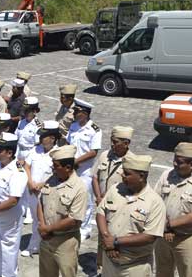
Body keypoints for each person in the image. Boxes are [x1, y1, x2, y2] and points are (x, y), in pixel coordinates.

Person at [96, 153, 166, 277]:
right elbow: (101, 212)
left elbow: (150, 236)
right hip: (109, 263)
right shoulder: (114, 189)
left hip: (135, 267)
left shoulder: (155, 202)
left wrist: (116, 242)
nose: (122, 175)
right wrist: (107, 239)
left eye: (127, 173)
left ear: (141, 176)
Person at [154, 142, 192, 277]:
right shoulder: (166, 175)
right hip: (163, 236)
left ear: (191, 164)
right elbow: (155, 202)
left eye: (179, 162)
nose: (174, 164)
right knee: (162, 273)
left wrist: (170, 225)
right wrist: (165, 228)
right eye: (174, 160)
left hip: (187, 240)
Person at [37, 145, 88, 277]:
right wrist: (42, 226)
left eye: (56, 165)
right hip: (46, 239)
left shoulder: (79, 188)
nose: (53, 168)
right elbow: (40, 202)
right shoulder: (51, 179)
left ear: (68, 168)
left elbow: (73, 220)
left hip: (66, 242)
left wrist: (48, 229)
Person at [0, 132, 28, 277]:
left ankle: (9, 274)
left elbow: (14, 200)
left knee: (9, 248)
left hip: (9, 215)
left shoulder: (18, 171)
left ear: (9, 152)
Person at [92, 125, 135, 269]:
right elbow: (95, 178)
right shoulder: (105, 155)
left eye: (116, 141)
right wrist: (98, 197)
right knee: (101, 237)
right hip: (102, 206)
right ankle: (101, 267)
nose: (112, 144)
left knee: (116, 238)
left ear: (126, 143)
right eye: (112, 140)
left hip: (120, 209)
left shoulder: (133, 161)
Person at [20, 120, 60, 257]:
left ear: (53, 138)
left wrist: (42, 184)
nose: (41, 138)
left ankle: (42, 245)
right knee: (37, 220)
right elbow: (26, 166)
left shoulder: (58, 153)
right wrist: (30, 182)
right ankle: (35, 245)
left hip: (48, 192)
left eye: (44, 136)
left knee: (49, 220)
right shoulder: (35, 150)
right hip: (32, 191)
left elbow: (57, 173)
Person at [66, 98, 101, 240]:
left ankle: (85, 228)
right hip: (72, 170)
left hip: (86, 171)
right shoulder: (73, 126)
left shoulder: (95, 130)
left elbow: (93, 152)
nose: (74, 113)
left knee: (86, 201)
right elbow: (69, 145)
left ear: (85, 113)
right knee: (71, 198)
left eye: (77, 111)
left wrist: (76, 161)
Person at [15, 96, 41, 161]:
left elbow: (37, 144)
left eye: (28, 111)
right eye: (25, 110)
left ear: (34, 111)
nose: (25, 113)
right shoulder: (21, 122)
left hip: (29, 155)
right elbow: (16, 137)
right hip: (18, 152)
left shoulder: (37, 126)